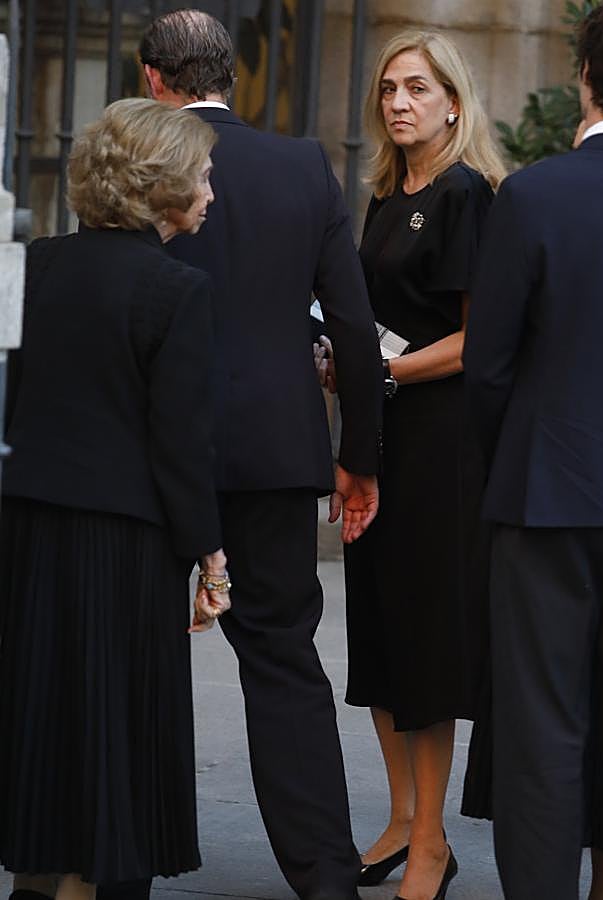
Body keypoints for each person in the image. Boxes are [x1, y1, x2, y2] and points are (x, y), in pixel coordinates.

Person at [138, 10, 383, 900]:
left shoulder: (137, 160)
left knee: (132, 652)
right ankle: (325, 875)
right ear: (232, 75)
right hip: (277, 450)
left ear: (155, 80)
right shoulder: (300, 165)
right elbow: (352, 325)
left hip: (149, 450)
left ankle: (115, 855)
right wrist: (359, 454)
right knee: (284, 661)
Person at [0, 98, 229, 900]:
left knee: (44, 712)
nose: (210, 190)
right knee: (114, 722)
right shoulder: (176, 291)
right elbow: (180, 444)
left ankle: (41, 877)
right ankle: (95, 884)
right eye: (203, 175)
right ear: (162, 186)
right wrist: (210, 555)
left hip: (28, 524)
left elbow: (14, 398)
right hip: (125, 540)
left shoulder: (40, 264)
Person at [463, 0, 603, 897]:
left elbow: (488, 367)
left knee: (541, 730)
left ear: (584, 77)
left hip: (546, 493)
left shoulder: (534, 194)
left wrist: (511, 464)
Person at [315, 29, 505, 900]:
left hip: (438, 445)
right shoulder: (389, 196)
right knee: (382, 638)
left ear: (454, 102)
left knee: (426, 649)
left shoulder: (465, 193)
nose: (398, 102)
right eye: (389, 87)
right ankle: (398, 817)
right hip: (380, 434)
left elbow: (479, 339)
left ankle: (431, 840)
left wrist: (381, 368)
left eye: (418, 88)